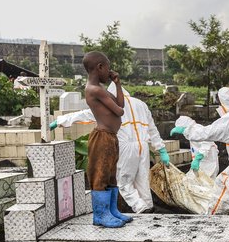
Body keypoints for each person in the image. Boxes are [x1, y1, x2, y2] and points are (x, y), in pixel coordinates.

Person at [51, 83, 171, 213]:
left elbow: (86, 115)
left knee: (124, 182)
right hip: (143, 146)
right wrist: (161, 149)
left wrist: (59, 121)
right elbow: (152, 128)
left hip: (125, 146)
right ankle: (148, 207)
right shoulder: (141, 104)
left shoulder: (111, 105)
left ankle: (141, 208)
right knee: (142, 180)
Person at [171, 87, 229, 216]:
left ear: (223, 101)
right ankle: (212, 217)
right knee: (221, 187)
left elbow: (207, 133)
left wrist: (187, 130)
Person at [82, 51, 131, 228]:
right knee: (100, 175)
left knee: (111, 175)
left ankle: (112, 211)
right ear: (100, 67)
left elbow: (121, 103)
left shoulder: (101, 90)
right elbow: (119, 111)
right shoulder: (94, 90)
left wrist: (117, 84)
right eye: (107, 68)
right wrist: (117, 106)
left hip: (110, 137)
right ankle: (100, 215)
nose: (109, 71)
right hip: (101, 137)